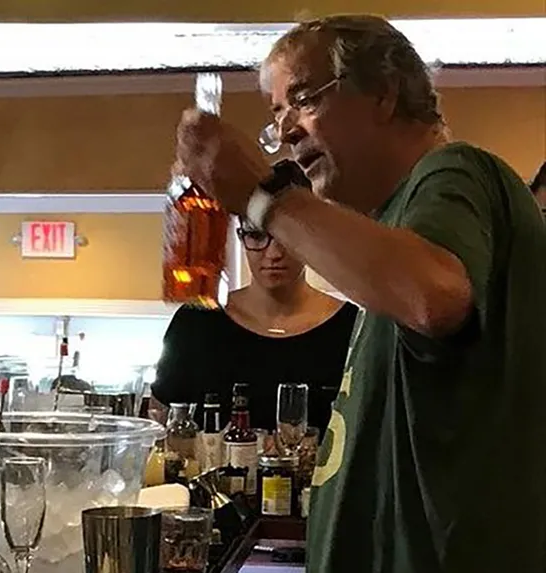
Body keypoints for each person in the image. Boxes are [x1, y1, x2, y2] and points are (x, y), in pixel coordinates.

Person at [174, 15, 546, 573]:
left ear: (383, 93)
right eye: (277, 117)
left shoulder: (454, 172)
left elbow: (433, 295)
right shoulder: (396, 224)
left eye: (303, 99)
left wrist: (262, 196)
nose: (289, 130)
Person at [153, 218, 357, 433]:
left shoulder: (353, 328)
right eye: (257, 236)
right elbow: (161, 424)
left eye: (287, 236)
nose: (273, 254)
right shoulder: (196, 322)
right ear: (242, 237)